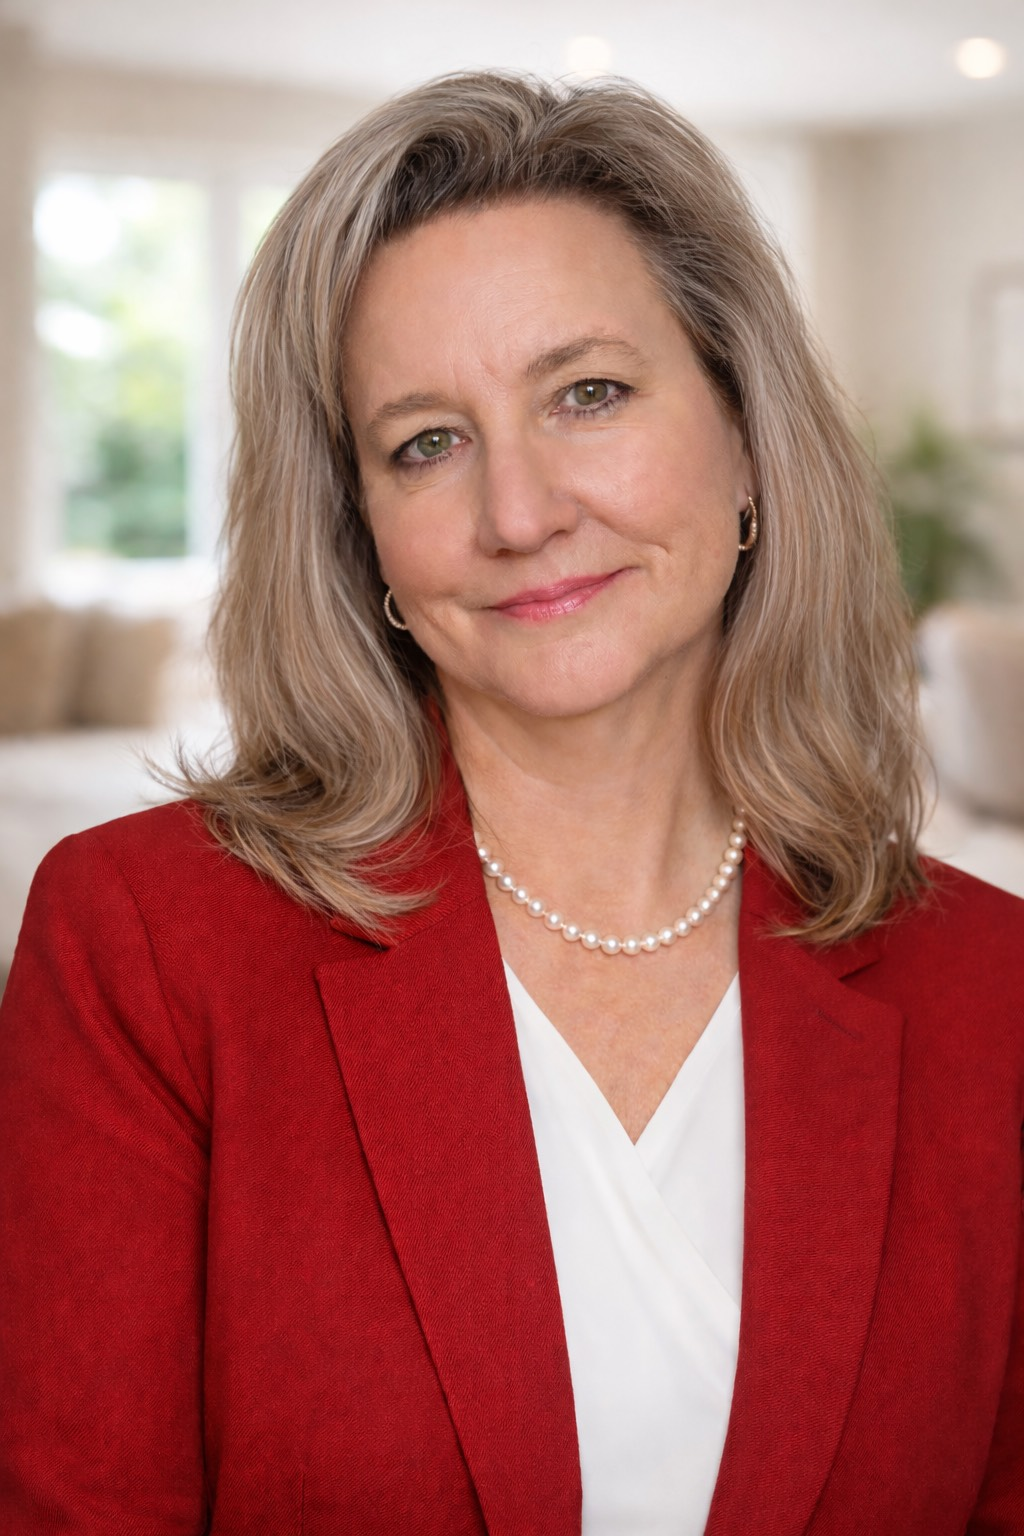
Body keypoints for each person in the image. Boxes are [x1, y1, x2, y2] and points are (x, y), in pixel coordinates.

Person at [1, 70, 1021, 1536]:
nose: (520, 511)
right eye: (426, 440)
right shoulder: (149, 948)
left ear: (746, 436)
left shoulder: (995, 992)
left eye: (587, 393)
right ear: (364, 539)